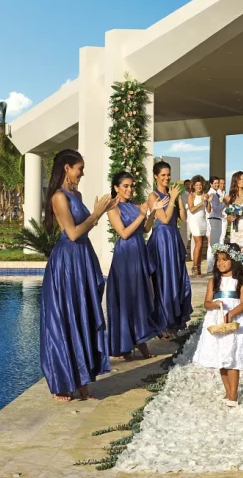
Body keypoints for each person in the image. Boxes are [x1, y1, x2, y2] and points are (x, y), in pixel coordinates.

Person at [40, 149, 116, 401]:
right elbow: (72, 233)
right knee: (66, 317)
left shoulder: (76, 194)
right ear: (67, 168)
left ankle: (83, 380)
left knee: (83, 315)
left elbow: (84, 230)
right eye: (79, 168)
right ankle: (62, 382)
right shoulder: (58, 197)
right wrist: (96, 214)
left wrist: (101, 212)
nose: (82, 173)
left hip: (82, 258)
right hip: (67, 263)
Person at [107, 172, 169, 360]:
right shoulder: (112, 207)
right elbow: (124, 233)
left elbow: (145, 229)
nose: (129, 189)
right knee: (127, 300)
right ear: (116, 188)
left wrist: (150, 214)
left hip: (139, 252)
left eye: (131, 186)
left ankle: (140, 340)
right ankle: (126, 346)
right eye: (125, 186)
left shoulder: (136, 205)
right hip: (125, 255)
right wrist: (142, 214)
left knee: (141, 298)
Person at [193, 244, 243, 407]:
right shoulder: (214, 281)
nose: (220, 263)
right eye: (218, 260)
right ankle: (227, 391)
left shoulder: (241, 281)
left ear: (234, 261)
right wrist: (214, 304)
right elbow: (206, 303)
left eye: (224, 260)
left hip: (234, 321)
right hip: (216, 320)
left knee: (232, 355)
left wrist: (231, 314)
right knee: (222, 356)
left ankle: (234, 393)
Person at [147, 161, 192, 339]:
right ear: (156, 176)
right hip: (161, 241)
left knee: (177, 279)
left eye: (168, 174)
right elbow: (164, 220)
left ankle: (174, 321)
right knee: (163, 281)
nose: (166, 178)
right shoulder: (153, 196)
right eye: (163, 175)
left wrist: (178, 199)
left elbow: (183, 217)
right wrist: (172, 199)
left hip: (173, 239)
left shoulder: (173, 194)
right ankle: (162, 323)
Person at [187, 175, 210, 277]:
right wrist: (201, 203)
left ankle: (199, 267)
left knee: (201, 246)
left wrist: (208, 201)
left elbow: (208, 210)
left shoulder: (205, 195)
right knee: (198, 244)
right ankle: (195, 267)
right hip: (194, 221)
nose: (199, 187)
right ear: (194, 186)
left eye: (200, 185)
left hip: (203, 220)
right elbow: (191, 210)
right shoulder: (191, 196)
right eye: (197, 185)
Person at [206, 176, 225, 273]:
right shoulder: (212, 194)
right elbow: (216, 208)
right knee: (213, 244)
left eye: (218, 183)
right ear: (211, 184)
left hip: (216, 219)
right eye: (215, 183)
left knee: (215, 244)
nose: (217, 185)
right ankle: (210, 266)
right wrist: (224, 202)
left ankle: (212, 266)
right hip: (213, 219)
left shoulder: (216, 193)